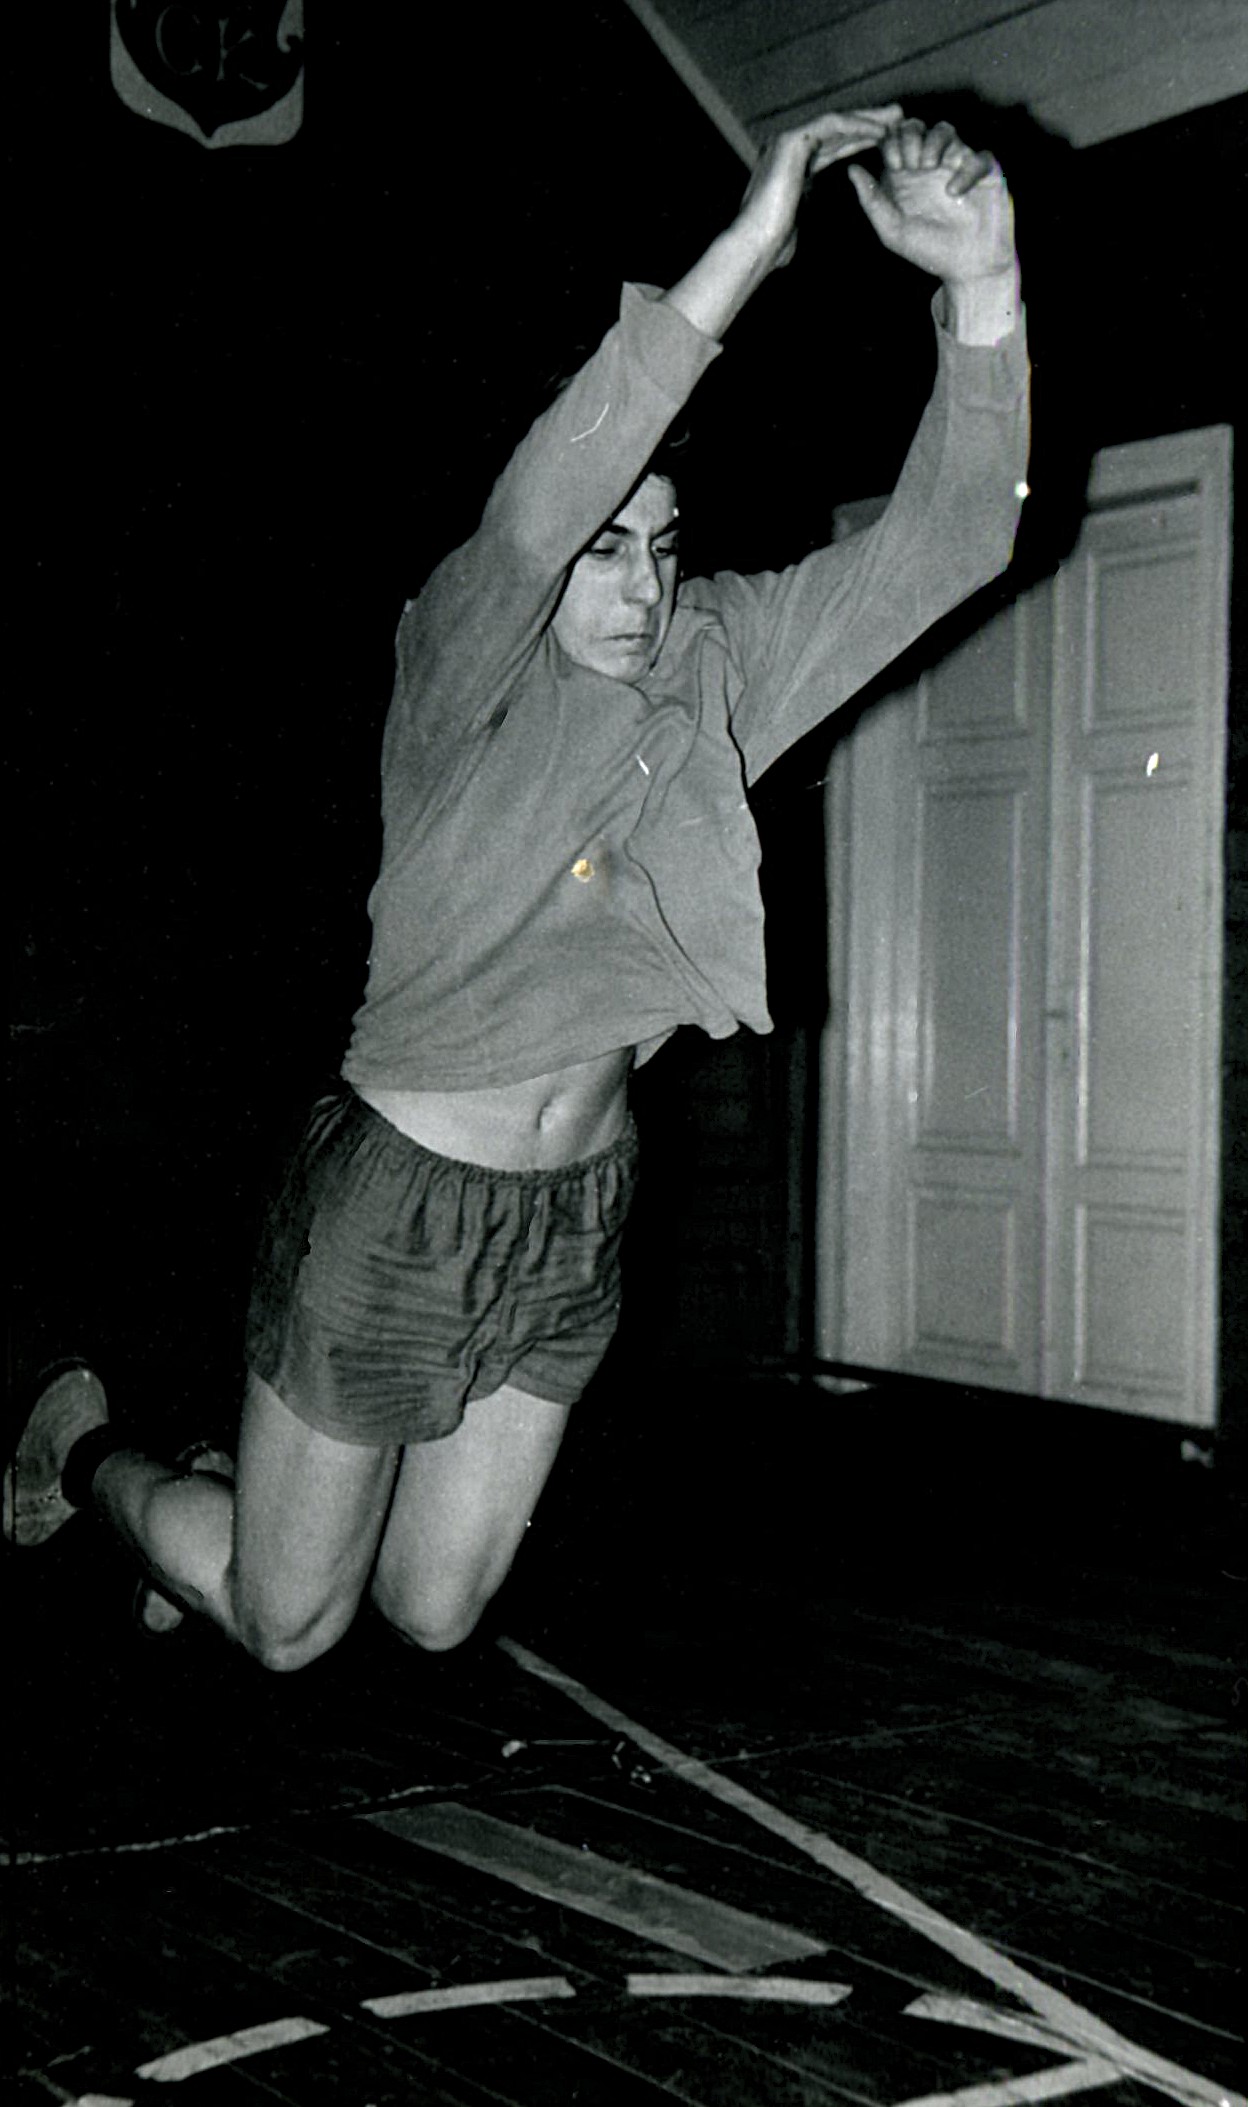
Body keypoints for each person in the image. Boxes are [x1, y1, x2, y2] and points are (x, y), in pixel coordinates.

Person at [5, 110, 1028, 1666]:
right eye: (607, 551)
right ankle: (83, 1452)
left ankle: (234, 1487)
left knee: (431, 1611)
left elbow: (949, 544)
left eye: (663, 548)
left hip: (577, 1214)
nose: (642, 587)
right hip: (395, 1203)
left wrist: (985, 280)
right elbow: (545, 500)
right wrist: (752, 242)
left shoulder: (715, 663)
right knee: (287, 1625)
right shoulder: (462, 657)